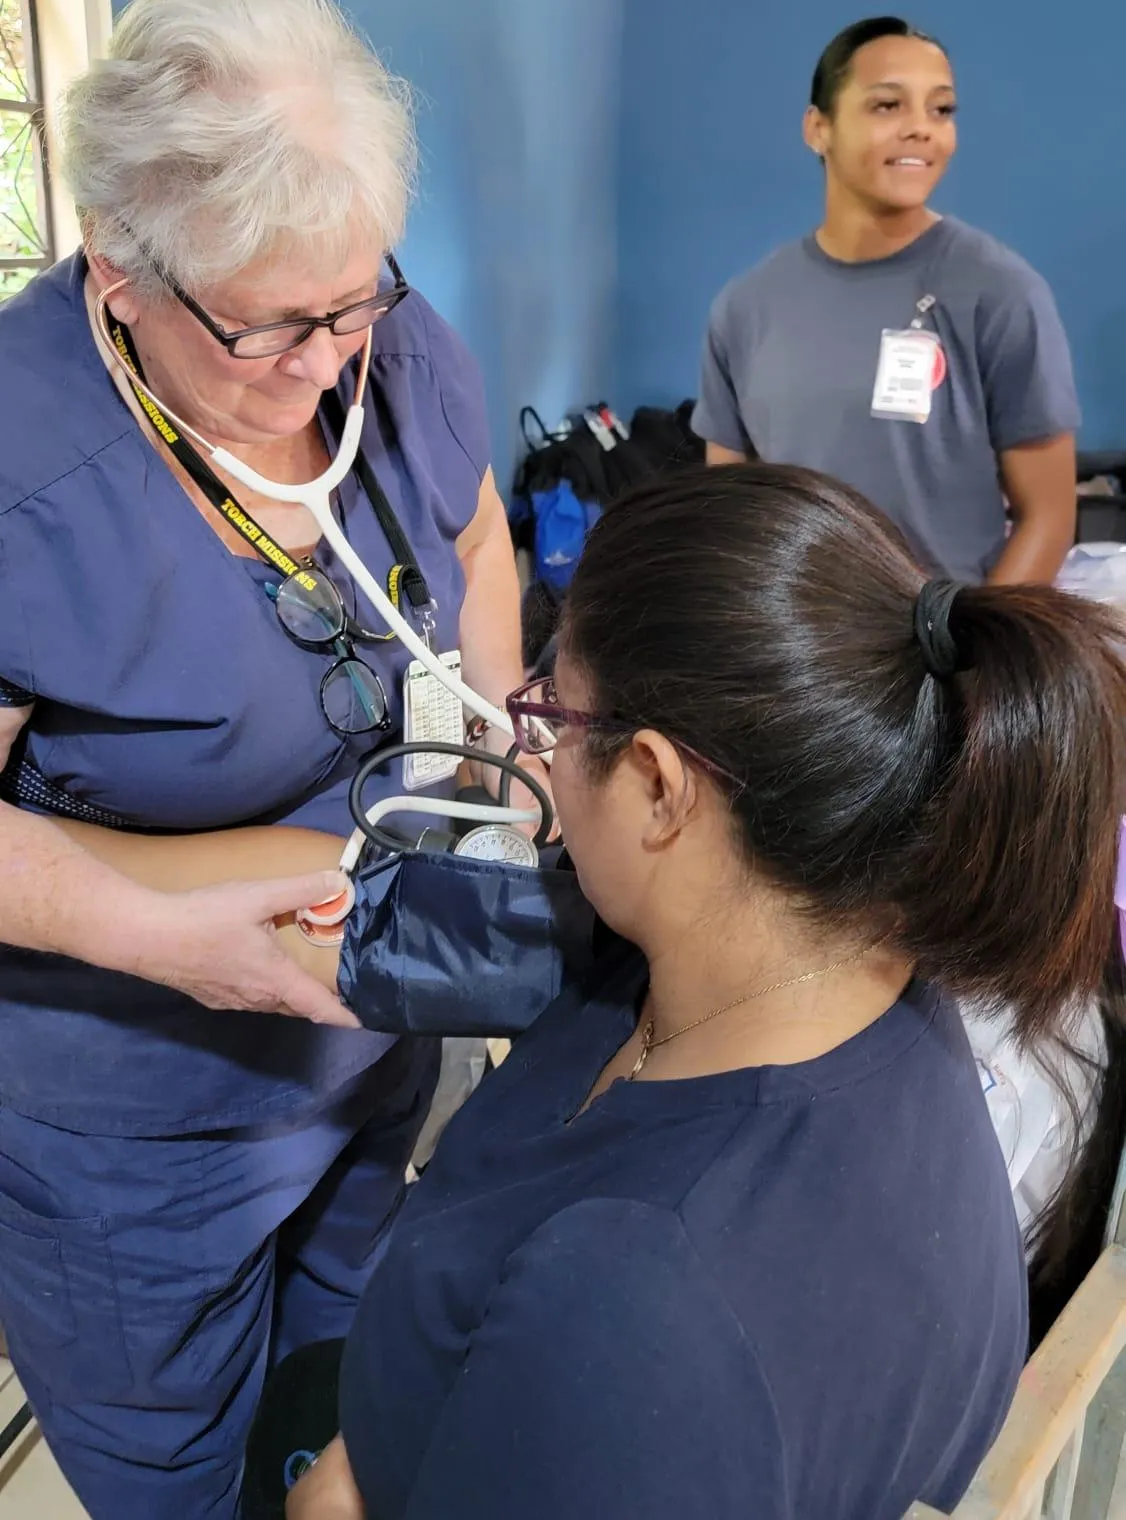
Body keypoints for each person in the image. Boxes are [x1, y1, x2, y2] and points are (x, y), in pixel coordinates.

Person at [71, 464, 1126, 1518]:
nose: (538, 747)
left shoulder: (640, 1302)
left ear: (661, 786)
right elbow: (338, 908)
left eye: (555, 713)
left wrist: (335, 1493)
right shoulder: (793, 957)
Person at [0, 0, 536, 1520]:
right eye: (263, 328)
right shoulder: (28, 473)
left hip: (370, 1030)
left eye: (351, 300)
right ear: (120, 274)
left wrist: (489, 766)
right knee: (183, 1479)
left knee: (342, 1400)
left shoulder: (389, 337)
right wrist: (161, 935)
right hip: (137, 1119)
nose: (323, 363)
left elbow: (476, 530)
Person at [695, 17, 1079, 583]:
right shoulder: (744, 308)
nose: (922, 129)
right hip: (795, 657)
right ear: (817, 129)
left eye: (941, 109)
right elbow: (729, 518)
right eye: (887, 106)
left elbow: (1047, 517)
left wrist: (969, 656)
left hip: (947, 654)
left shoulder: (999, 291)